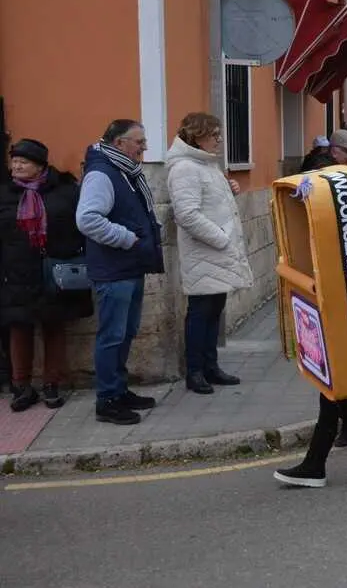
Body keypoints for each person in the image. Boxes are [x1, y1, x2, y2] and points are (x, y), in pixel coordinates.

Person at [77, 120, 163, 425]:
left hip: (128, 266)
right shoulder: (102, 173)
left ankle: (119, 390)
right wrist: (128, 238)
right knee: (112, 336)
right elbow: (87, 219)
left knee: (125, 333)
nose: (144, 147)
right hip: (114, 270)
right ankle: (107, 400)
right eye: (138, 142)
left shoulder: (124, 171)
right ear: (118, 144)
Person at [0, 138, 93, 411]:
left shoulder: (64, 191)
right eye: (14, 161)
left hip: (54, 271)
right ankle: (21, 387)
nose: (16, 166)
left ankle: (52, 384)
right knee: (19, 328)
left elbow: (78, 227)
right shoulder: (5, 194)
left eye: (23, 162)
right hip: (15, 273)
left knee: (54, 326)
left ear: (40, 166)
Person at [165, 113, 253, 395]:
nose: (218, 140)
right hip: (205, 252)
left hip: (215, 253)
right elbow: (187, 214)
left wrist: (230, 192)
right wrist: (221, 238)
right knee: (200, 313)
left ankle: (210, 366)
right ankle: (195, 371)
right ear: (196, 135)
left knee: (214, 311)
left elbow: (209, 204)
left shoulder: (206, 165)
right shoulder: (185, 168)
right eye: (213, 134)